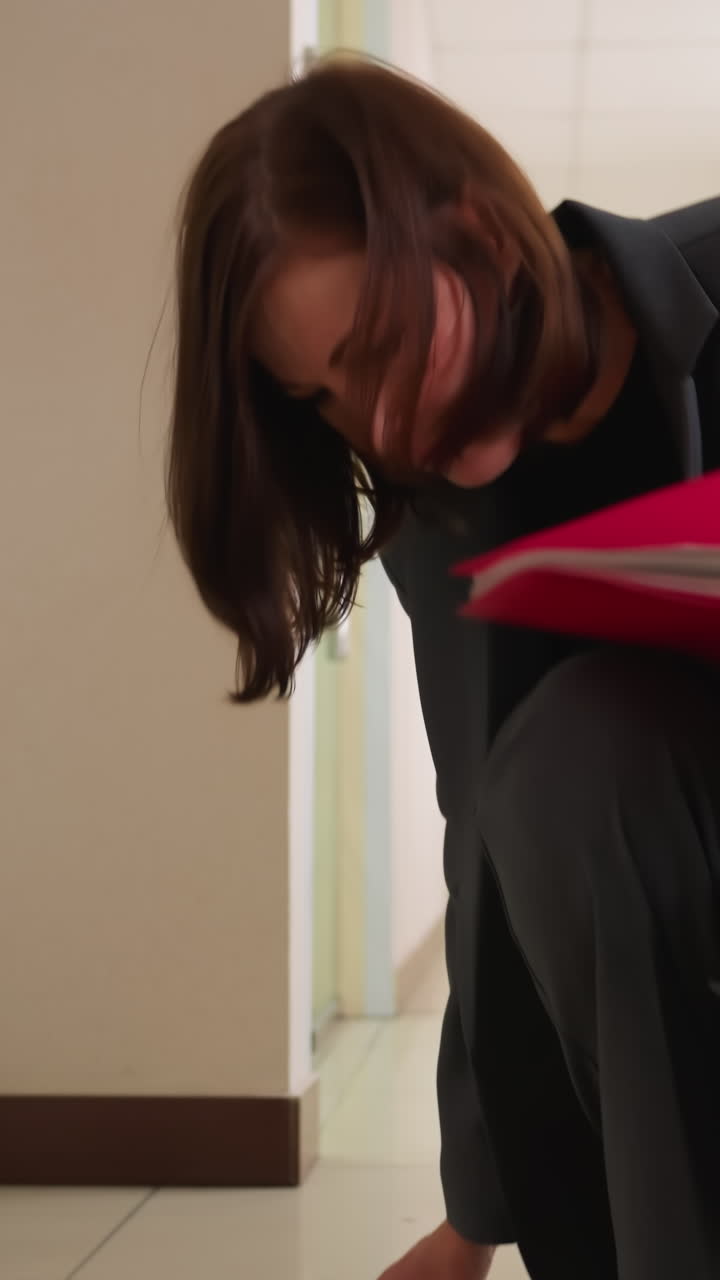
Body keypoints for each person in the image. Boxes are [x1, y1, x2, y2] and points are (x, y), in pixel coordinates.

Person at [166, 58, 720, 1280]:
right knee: (566, 763)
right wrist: (475, 1222)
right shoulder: (446, 528)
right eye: (327, 397)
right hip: (663, 966)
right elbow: (491, 842)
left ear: (470, 225)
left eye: (377, 349)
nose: (381, 424)